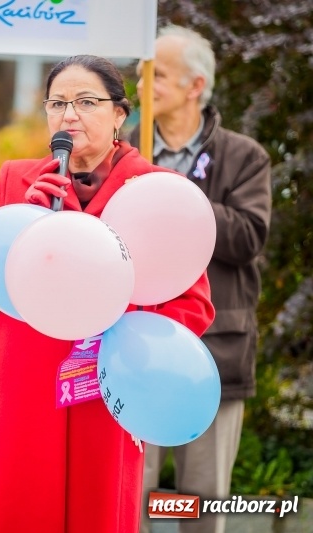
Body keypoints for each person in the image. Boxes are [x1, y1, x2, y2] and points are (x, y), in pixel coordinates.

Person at [0, 55, 216, 533]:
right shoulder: (18, 180)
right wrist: (18, 223)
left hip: (106, 390)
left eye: (86, 102)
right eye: (57, 103)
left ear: (120, 114)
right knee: (13, 510)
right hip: (23, 386)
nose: (68, 115)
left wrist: (132, 332)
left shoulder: (158, 192)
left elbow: (194, 306)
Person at [130, 25, 272, 533]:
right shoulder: (123, 152)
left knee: (202, 502)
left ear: (195, 86)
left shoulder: (243, 156)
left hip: (214, 354)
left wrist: (176, 199)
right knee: (128, 499)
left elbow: (249, 237)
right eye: (144, 74)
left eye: (160, 75)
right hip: (134, 352)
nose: (145, 85)